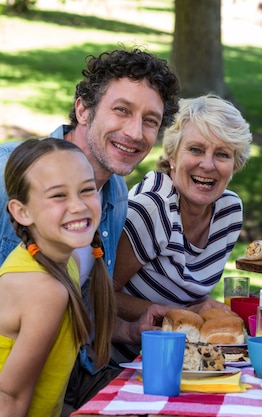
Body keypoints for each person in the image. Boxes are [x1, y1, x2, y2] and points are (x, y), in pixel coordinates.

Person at [0, 48, 180, 415]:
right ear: (83, 109)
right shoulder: (10, 178)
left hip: (69, 379)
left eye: (150, 120)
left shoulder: (113, 194)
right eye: (122, 110)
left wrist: (130, 330)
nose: (135, 132)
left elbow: (72, 313)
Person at [0, 139, 116, 417]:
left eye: (86, 190)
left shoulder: (69, 263)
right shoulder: (45, 289)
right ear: (22, 212)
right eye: (58, 195)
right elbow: (9, 399)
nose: (78, 206)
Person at [113, 94, 252, 324]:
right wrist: (188, 314)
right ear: (172, 156)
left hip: (184, 347)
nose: (207, 165)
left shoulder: (229, 211)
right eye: (196, 150)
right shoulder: (152, 209)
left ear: (235, 165)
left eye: (222, 154)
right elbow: (101, 294)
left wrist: (199, 309)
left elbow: (186, 293)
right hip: (125, 354)